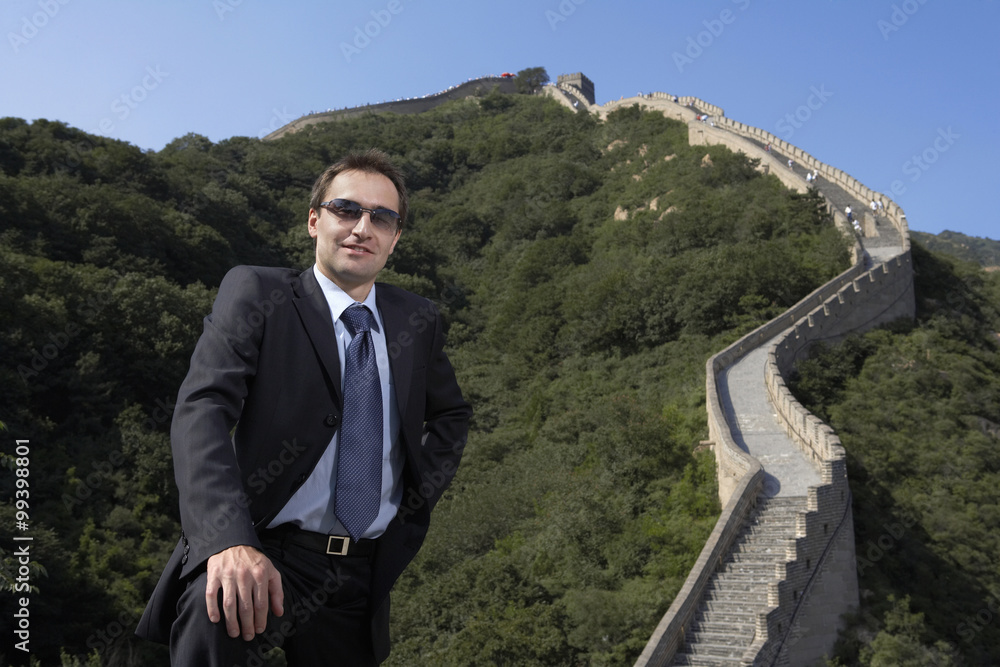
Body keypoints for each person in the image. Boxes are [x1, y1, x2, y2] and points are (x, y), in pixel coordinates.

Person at [135, 149, 472, 665]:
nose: (363, 227)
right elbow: (202, 408)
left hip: (360, 574)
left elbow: (450, 415)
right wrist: (226, 540)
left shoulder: (416, 319)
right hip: (262, 552)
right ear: (315, 220)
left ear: (396, 237)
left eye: (382, 218)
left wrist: (413, 498)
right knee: (213, 617)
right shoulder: (258, 292)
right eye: (346, 209)